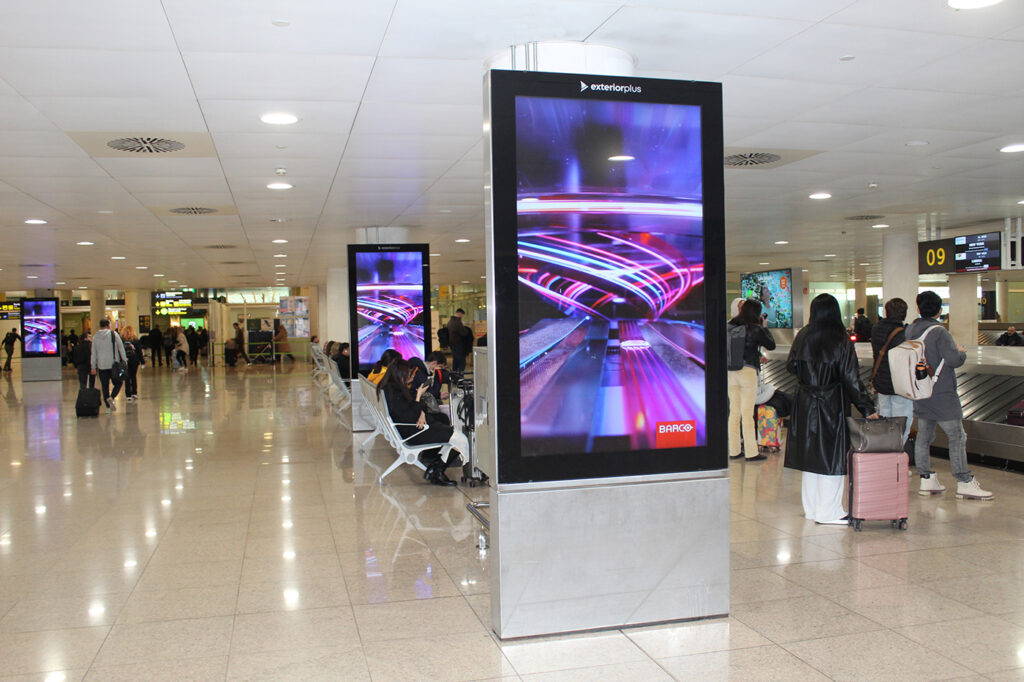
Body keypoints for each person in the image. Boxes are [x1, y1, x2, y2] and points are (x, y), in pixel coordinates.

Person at [785, 294, 877, 525]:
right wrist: (867, 407)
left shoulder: (803, 335)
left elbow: (791, 366)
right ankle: (830, 511)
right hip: (831, 403)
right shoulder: (840, 339)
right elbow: (851, 378)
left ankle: (813, 509)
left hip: (805, 401)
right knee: (831, 455)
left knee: (811, 457)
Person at [908, 291, 993, 500]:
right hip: (942, 393)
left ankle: (926, 479)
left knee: (924, 437)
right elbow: (953, 359)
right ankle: (964, 481)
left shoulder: (911, 330)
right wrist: (961, 351)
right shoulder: (939, 332)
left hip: (920, 391)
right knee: (957, 436)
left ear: (918, 308)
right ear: (939, 310)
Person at [377, 358, 461, 486]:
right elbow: (409, 415)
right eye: (410, 374)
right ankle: (437, 470)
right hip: (412, 433)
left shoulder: (390, 388)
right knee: (457, 437)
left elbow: (410, 411)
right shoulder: (396, 393)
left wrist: (421, 412)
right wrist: (418, 396)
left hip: (409, 428)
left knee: (442, 421)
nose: (412, 376)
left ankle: (434, 466)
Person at [728, 299, 776, 462]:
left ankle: (734, 450)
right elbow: (771, 345)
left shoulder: (730, 326)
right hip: (748, 372)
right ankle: (751, 452)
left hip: (730, 372)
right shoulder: (755, 329)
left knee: (734, 412)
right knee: (747, 414)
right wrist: (765, 327)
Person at [870, 298, 913, 445]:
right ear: (904, 314)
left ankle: (884, 459)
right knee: (900, 426)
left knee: (884, 423)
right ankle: (897, 459)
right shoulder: (904, 333)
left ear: (886, 312)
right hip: (899, 386)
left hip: (881, 383)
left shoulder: (876, 328)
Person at [90, 319, 127, 411]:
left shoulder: (95, 337)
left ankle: (107, 406)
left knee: (105, 386)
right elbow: (121, 348)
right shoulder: (113, 334)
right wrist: (125, 360)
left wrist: (93, 366)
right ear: (108, 325)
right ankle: (112, 397)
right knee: (119, 383)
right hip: (114, 365)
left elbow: (93, 353)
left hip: (101, 366)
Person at [120, 326, 145, 402]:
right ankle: (134, 392)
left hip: (125, 361)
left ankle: (128, 395)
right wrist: (142, 361)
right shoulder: (136, 340)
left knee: (127, 378)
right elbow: (139, 352)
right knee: (133, 376)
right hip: (134, 361)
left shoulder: (121, 340)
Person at [446, 309, 473, 374]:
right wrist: (467, 330)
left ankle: (454, 375)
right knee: (461, 360)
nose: (462, 317)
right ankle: (460, 375)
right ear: (460, 314)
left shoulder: (450, 321)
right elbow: (464, 332)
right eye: (462, 315)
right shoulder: (457, 322)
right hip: (458, 343)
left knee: (455, 360)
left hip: (452, 343)